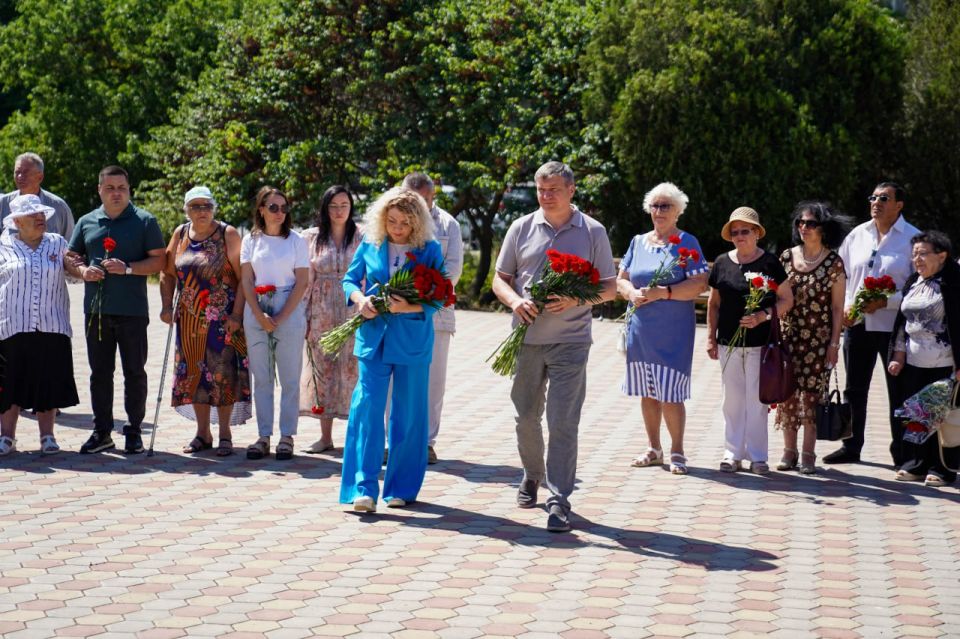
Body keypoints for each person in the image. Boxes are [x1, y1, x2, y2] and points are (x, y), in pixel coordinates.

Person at [492, 161, 618, 532]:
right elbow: (501, 280)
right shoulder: (521, 227)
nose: (546, 197)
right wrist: (515, 301)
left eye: (554, 190)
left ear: (571, 191)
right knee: (526, 416)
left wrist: (577, 300)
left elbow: (609, 288)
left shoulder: (593, 231)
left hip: (571, 342)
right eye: (541, 190)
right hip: (527, 339)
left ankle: (559, 498)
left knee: (563, 421)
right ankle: (532, 473)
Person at [339, 187, 445, 512]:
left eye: (404, 222)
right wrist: (360, 300)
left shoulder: (430, 250)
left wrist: (408, 307)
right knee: (366, 410)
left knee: (409, 415)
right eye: (392, 221)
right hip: (372, 339)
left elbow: (439, 296)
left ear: (417, 222)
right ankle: (363, 489)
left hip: (412, 342)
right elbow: (349, 280)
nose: (397, 228)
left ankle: (400, 488)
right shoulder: (371, 244)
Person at [68, 166, 165, 454]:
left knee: (135, 372)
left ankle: (134, 431)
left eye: (121, 187)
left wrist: (129, 269)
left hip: (133, 311)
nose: (116, 193)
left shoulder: (145, 221)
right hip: (96, 312)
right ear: (99, 190)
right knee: (100, 373)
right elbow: (71, 256)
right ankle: (102, 432)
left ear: (129, 189)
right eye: (109, 188)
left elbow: (159, 261)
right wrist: (83, 270)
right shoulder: (87, 221)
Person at [617, 182, 708, 475]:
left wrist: (664, 292)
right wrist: (631, 293)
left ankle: (677, 451)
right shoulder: (637, 242)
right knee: (647, 390)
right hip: (641, 329)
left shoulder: (686, 242)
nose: (659, 211)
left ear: (678, 211)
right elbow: (622, 279)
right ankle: (653, 448)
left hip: (673, 331)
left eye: (665, 206)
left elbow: (698, 284)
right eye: (654, 206)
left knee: (670, 392)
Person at [826, 182, 919, 466]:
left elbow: (921, 288)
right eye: (873, 197)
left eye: (884, 198)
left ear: (899, 205)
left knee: (899, 392)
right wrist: (841, 311)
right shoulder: (857, 235)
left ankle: (902, 453)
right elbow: (839, 275)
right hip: (857, 324)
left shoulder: (913, 238)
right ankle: (851, 446)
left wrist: (887, 302)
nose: (876, 202)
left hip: (896, 328)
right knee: (855, 389)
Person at [160, 186, 252, 457]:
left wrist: (237, 314)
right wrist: (166, 306)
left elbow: (244, 277)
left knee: (223, 375)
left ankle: (225, 434)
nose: (202, 211)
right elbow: (167, 273)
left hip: (223, 319)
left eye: (206, 206)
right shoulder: (179, 234)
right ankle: (203, 433)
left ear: (213, 208)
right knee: (194, 375)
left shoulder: (228, 234)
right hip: (189, 320)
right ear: (186, 209)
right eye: (195, 206)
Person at [706, 207, 793, 474]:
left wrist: (763, 315)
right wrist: (710, 337)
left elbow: (787, 299)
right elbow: (713, 303)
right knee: (731, 400)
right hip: (728, 342)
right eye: (735, 232)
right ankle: (732, 453)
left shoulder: (769, 263)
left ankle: (758, 457)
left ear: (757, 233)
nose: (740, 236)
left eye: (745, 231)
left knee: (757, 401)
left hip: (760, 343)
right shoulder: (722, 262)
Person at [0, 195, 80, 455]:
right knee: (9, 383)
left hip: (51, 322)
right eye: (33, 214)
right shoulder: (3, 245)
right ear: (17, 221)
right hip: (12, 323)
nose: (40, 218)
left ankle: (48, 436)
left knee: (48, 381)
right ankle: (7, 438)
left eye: (42, 214)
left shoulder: (57, 243)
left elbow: (73, 268)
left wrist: (84, 270)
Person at [774, 202, 850, 474]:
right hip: (788, 337)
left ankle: (808, 454)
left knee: (812, 397)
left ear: (823, 228)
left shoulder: (833, 262)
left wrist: (833, 343)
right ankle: (788, 452)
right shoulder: (785, 257)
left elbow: (838, 308)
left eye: (811, 224)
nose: (804, 228)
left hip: (818, 341)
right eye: (800, 223)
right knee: (787, 396)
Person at [240, 187, 309, 461]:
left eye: (283, 208)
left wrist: (280, 317)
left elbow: (302, 281)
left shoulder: (296, 240)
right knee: (262, 376)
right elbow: (246, 279)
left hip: (287, 302)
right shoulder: (251, 240)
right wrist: (258, 314)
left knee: (290, 376)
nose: (280, 213)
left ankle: (287, 436)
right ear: (261, 209)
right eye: (273, 207)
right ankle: (263, 436)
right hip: (256, 303)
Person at [888, 231, 960, 487]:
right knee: (917, 416)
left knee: (941, 418)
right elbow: (902, 324)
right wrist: (898, 354)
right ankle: (916, 464)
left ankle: (942, 469)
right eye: (915, 254)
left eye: (923, 253)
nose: (917, 259)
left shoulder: (954, 283)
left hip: (945, 363)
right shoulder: (913, 282)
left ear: (942, 256)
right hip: (914, 362)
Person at [401, 172, 464, 464]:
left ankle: (426, 442)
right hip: (396, 313)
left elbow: (453, 270)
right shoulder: (392, 222)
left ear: (432, 196)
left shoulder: (448, 224)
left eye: (422, 200)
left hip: (436, 313)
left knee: (433, 380)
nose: (415, 205)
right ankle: (395, 439)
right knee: (395, 381)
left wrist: (420, 292)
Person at [299, 185, 364, 453]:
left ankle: (354, 436)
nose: (339, 211)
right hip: (321, 309)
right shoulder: (311, 238)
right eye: (334, 206)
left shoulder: (363, 236)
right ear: (325, 208)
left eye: (344, 205)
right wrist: (304, 317)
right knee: (323, 370)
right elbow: (305, 281)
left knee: (353, 370)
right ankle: (325, 437)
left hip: (353, 309)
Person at [0, 152, 74, 239]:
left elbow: (70, 245)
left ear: (40, 177)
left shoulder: (59, 207)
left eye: (25, 172)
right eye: (17, 172)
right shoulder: (3, 204)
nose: (20, 176)